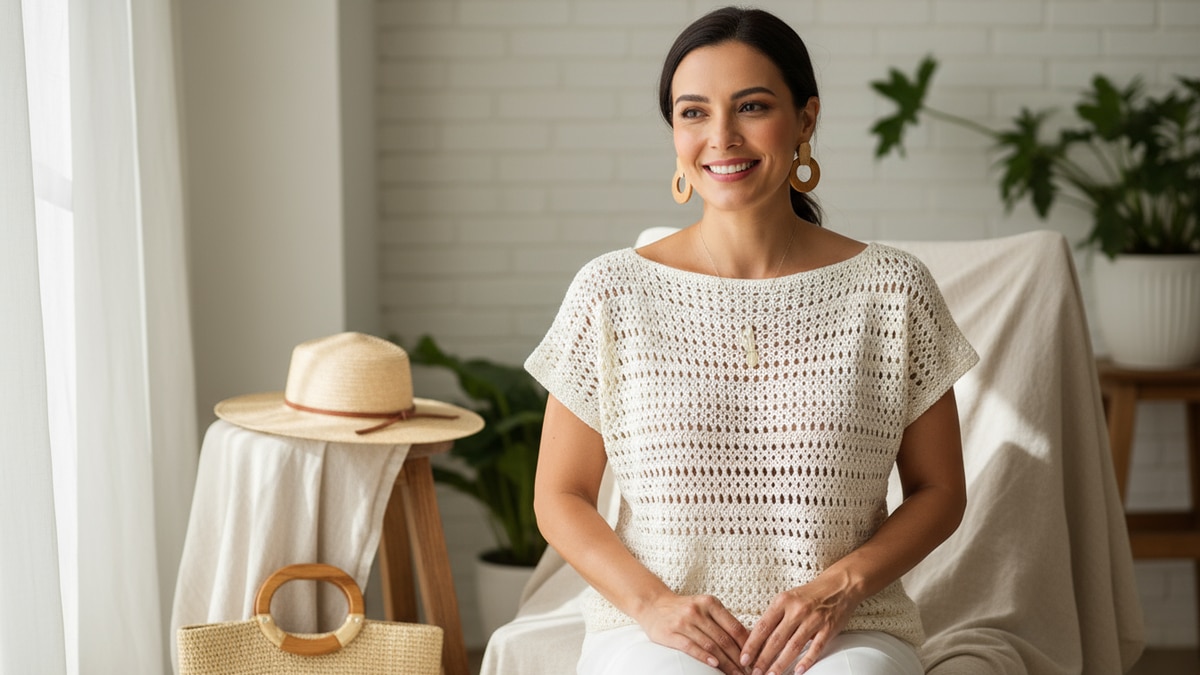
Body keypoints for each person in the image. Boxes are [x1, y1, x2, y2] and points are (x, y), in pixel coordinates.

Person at [525, 7, 979, 675]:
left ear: (806, 119)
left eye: (752, 106)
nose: (722, 137)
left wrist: (839, 588)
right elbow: (558, 495)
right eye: (693, 113)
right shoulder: (609, 292)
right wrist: (652, 604)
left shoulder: (893, 290)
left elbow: (940, 489)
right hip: (655, 631)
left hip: (845, 629)